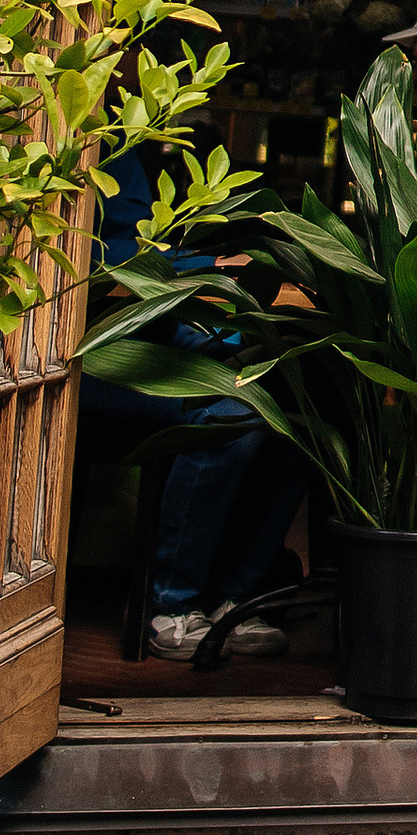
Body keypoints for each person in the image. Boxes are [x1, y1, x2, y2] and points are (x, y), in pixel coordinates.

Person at [79, 141, 305, 662]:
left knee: (296, 414)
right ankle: (172, 607)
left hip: (157, 332)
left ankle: (235, 600)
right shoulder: (77, 141)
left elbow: (143, 240)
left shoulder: (122, 145)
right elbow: (94, 257)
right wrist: (209, 262)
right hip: (90, 350)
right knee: (230, 416)